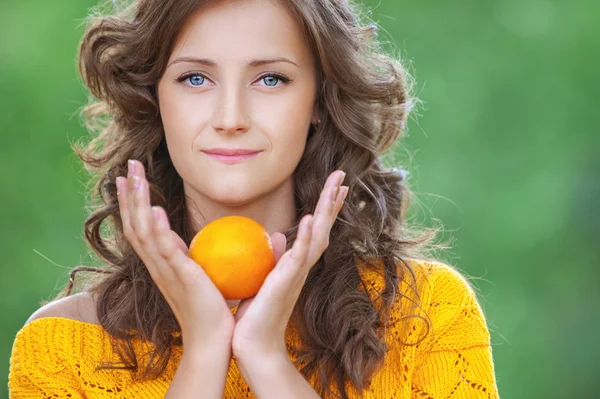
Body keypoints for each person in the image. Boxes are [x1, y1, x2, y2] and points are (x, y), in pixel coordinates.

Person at [8, 0, 500, 397]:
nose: (230, 117)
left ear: (319, 103)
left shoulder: (429, 314)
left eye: (271, 79)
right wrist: (204, 351)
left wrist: (265, 358)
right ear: (154, 98)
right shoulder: (59, 349)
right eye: (195, 78)